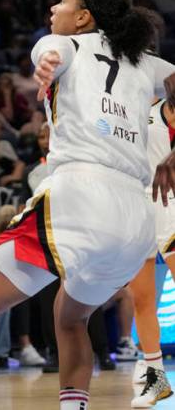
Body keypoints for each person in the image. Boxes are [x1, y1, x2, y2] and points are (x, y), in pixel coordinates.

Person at [0, 0, 175, 410]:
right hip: (134, 222)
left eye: (62, 3)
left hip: (80, 198)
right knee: (71, 319)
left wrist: (46, 61)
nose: (53, 10)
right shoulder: (145, 62)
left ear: (82, 17)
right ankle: (89, 400)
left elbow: (49, 49)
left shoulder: (65, 44)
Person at [129, 97, 175, 406]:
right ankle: (155, 379)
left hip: (168, 201)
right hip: (133, 203)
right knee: (142, 298)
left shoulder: (165, 96)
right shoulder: (125, 107)